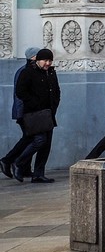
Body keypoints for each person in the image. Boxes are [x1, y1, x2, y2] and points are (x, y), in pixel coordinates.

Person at [4, 49, 60, 183]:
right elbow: (20, 91)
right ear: (37, 60)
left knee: (46, 145)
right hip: (33, 114)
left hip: (48, 113)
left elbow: (56, 90)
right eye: (45, 60)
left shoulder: (51, 72)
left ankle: (38, 174)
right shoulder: (27, 72)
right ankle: (18, 162)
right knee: (39, 140)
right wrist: (34, 103)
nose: (48, 63)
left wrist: (55, 103)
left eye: (50, 60)